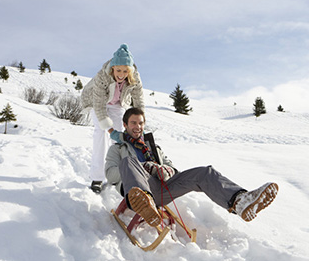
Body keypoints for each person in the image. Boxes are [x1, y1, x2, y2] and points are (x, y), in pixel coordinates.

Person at [105, 107, 278, 226]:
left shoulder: (153, 148)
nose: (138, 127)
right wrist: (143, 166)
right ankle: (144, 202)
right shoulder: (118, 149)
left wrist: (165, 170)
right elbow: (110, 175)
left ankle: (240, 201)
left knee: (205, 173)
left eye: (141, 123)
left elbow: (173, 169)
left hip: (163, 187)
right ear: (125, 125)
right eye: (133, 123)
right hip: (136, 193)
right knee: (128, 161)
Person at [81, 44, 145, 193]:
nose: (121, 74)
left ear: (129, 70)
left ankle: (121, 174)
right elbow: (99, 106)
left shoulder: (135, 78)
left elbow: (138, 100)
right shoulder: (102, 77)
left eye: (125, 71)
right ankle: (97, 178)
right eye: (118, 70)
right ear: (113, 68)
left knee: (120, 139)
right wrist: (109, 129)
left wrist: (139, 125)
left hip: (118, 105)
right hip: (98, 103)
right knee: (101, 134)